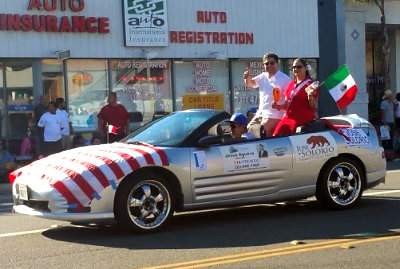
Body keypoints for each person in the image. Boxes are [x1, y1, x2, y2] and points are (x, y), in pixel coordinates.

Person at [243, 52, 291, 137]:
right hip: (261, 113)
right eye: (266, 63)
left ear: (277, 63)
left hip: (275, 115)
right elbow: (251, 84)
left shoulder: (285, 79)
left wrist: (280, 106)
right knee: (250, 129)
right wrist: (247, 78)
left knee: (262, 131)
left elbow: (290, 100)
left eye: (272, 63)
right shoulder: (263, 76)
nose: (269, 65)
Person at [272, 58, 317, 137]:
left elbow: (313, 106)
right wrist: (278, 106)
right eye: (293, 67)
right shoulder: (291, 84)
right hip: (288, 117)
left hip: (302, 118)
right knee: (275, 136)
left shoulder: (311, 84)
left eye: (299, 67)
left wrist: (310, 96)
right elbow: (287, 105)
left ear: (305, 68)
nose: (295, 69)